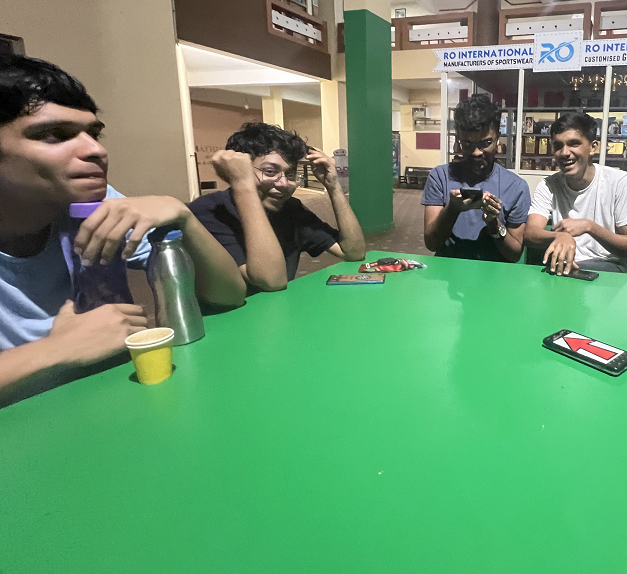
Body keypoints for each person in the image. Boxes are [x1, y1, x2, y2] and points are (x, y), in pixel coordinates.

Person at [0, 55, 247, 403]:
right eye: (54, 135)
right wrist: (56, 350)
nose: (96, 150)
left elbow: (229, 295)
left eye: (94, 133)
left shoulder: (95, 205)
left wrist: (183, 216)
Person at [189, 123, 366, 293]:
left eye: (290, 174)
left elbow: (354, 251)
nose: (283, 183)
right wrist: (242, 185)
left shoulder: (292, 209)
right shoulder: (209, 211)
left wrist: (333, 186)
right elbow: (271, 281)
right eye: (270, 172)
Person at [525, 111, 627, 274]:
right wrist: (559, 236)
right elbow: (530, 233)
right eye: (558, 146)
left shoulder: (620, 181)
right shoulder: (548, 185)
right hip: (562, 267)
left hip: (608, 268)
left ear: (593, 147)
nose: (564, 153)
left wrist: (589, 227)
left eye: (574, 144)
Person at [422, 93, 530, 262]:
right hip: (449, 272)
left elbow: (514, 254)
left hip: (494, 273)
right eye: (468, 144)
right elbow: (431, 243)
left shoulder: (516, 187)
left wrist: (494, 223)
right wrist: (452, 209)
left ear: (498, 137)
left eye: (485, 143)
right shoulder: (440, 176)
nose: (477, 152)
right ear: (459, 138)